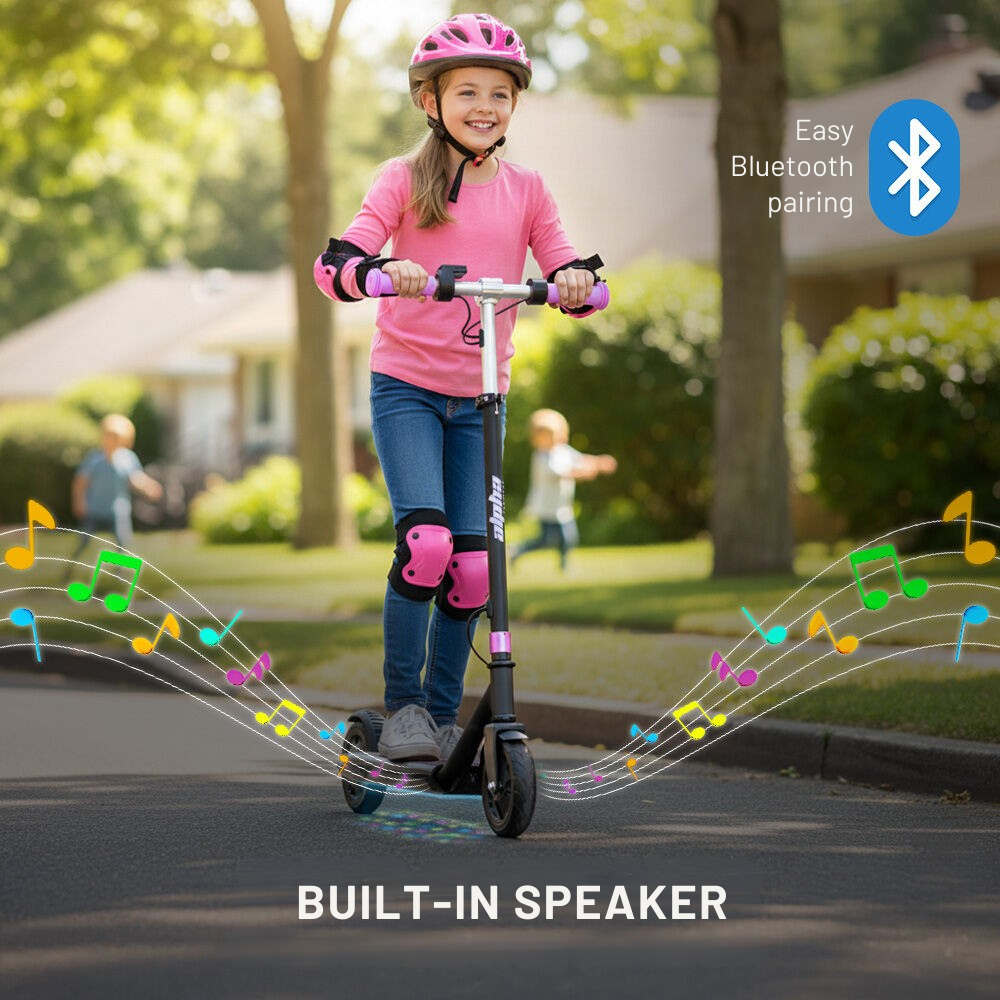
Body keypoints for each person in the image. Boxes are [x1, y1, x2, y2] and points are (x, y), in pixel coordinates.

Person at [314, 13, 604, 762]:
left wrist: (574, 282)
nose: (485, 106)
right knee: (427, 546)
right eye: (467, 90)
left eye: (500, 93)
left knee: (474, 569)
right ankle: (404, 708)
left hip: (481, 398)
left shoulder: (529, 190)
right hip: (407, 388)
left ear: (515, 105)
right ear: (430, 102)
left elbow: (575, 271)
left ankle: (444, 722)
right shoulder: (401, 181)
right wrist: (381, 271)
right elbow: (335, 264)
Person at [511, 409, 617, 571]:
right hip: (547, 507)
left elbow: (580, 459)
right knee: (547, 540)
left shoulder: (562, 450)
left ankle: (564, 565)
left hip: (562, 506)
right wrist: (585, 471)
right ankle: (518, 551)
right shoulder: (541, 458)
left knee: (568, 537)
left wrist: (599, 462)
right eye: (548, 436)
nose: (553, 439)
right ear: (537, 439)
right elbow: (564, 472)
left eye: (555, 435)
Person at [68, 414, 162, 566]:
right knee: (84, 539)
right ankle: (71, 566)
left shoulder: (127, 458)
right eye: (110, 436)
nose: (113, 441)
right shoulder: (94, 459)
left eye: (117, 437)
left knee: (122, 541)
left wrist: (149, 487)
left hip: (118, 509)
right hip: (95, 508)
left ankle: (119, 573)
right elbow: (80, 483)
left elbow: (135, 478)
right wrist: (79, 502)